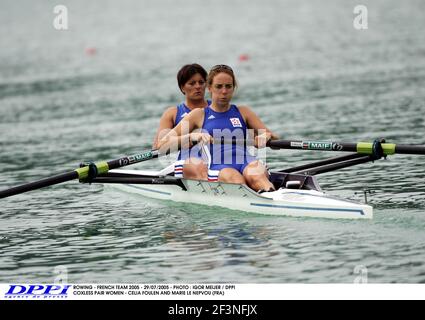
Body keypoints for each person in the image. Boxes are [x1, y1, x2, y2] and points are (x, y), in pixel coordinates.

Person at [158, 64, 279, 192]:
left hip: (246, 161)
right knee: (235, 179)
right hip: (220, 166)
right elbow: (162, 145)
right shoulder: (199, 114)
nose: (224, 91)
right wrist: (191, 136)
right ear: (209, 88)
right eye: (219, 86)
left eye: (228, 86)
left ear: (233, 88)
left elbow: (276, 142)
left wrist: (267, 136)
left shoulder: (243, 111)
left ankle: (272, 196)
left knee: (258, 174)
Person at [152, 63, 210, 179]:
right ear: (182, 88)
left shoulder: (218, 109)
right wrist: (187, 138)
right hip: (187, 166)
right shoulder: (173, 113)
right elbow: (157, 148)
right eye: (192, 83)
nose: (198, 86)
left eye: (201, 82)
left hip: (215, 162)